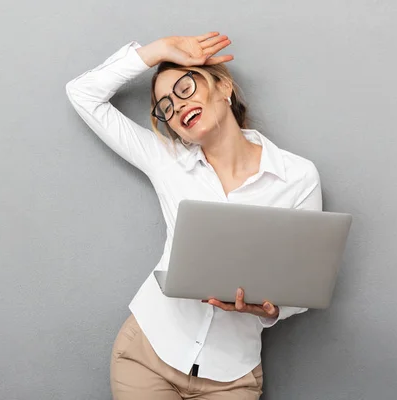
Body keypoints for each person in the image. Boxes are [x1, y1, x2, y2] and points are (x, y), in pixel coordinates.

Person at [66, 32, 322, 400]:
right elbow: (83, 93)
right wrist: (157, 52)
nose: (177, 106)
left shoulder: (297, 177)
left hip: (232, 376)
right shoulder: (165, 160)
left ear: (225, 88)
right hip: (147, 355)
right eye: (165, 105)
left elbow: (306, 284)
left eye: (185, 87)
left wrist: (271, 308)